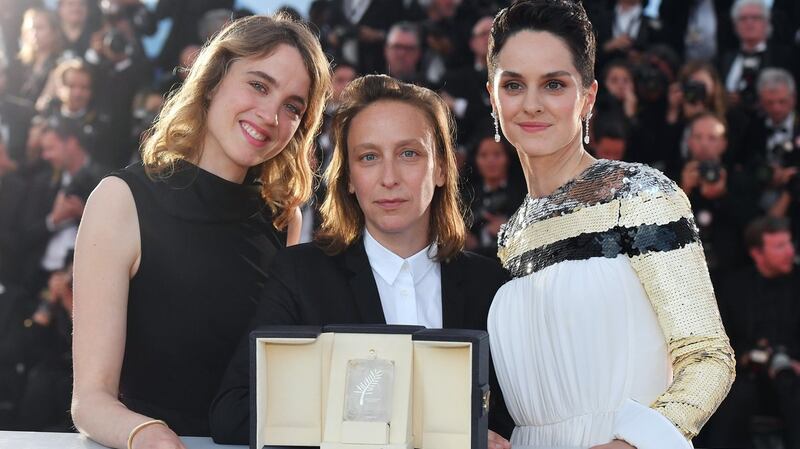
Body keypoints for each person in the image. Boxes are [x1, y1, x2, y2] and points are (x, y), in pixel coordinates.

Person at [209, 74, 514, 448]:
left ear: (440, 168)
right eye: (369, 157)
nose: (389, 178)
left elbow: (513, 417)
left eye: (408, 154)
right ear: (349, 178)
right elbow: (233, 412)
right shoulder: (301, 275)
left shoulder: (492, 285)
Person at [70, 13, 331, 449]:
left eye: (292, 107)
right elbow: (90, 402)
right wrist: (147, 435)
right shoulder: (121, 200)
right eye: (259, 85)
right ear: (212, 81)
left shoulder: (283, 215)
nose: (270, 115)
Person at [483, 1, 735, 448]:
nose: (532, 104)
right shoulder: (510, 236)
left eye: (554, 84)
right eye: (514, 85)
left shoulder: (641, 194)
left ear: (589, 97)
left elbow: (708, 357)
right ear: (492, 96)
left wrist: (634, 443)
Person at [704, 216, 800, 448]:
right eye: (779, 246)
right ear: (757, 253)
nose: (790, 252)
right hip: (747, 375)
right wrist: (748, 355)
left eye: (789, 244)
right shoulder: (734, 286)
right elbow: (720, 338)